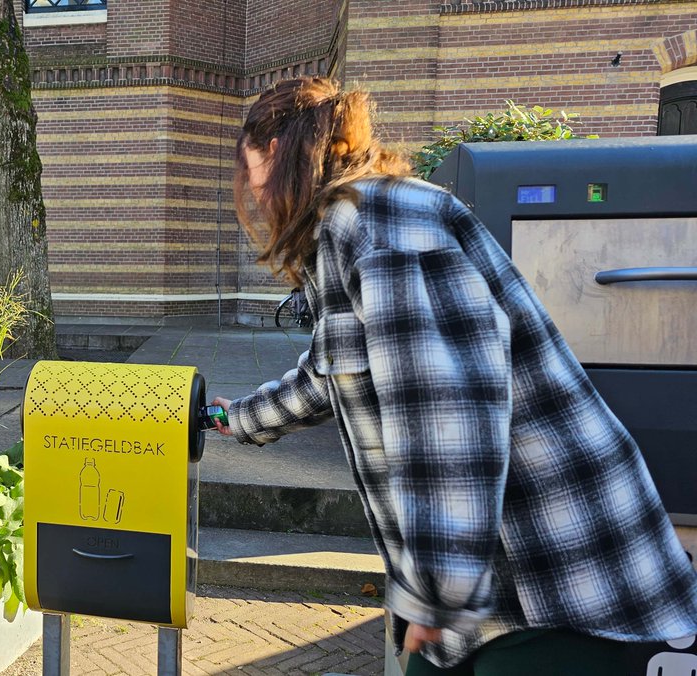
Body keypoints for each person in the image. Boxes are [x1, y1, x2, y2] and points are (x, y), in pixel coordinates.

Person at [210, 77, 697, 675]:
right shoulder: (355, 227)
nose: (255, 193)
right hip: (485, 593)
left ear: (282, 154)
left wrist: (438, 588)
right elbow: (330, 372)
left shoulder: (379, 225)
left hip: (557, 581)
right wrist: (235, 420)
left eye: (254, 171)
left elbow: (451, 410)